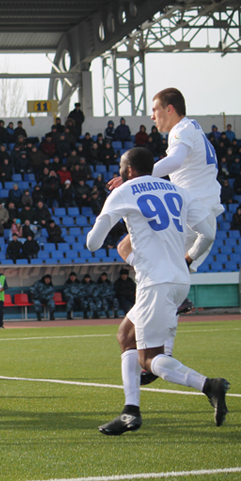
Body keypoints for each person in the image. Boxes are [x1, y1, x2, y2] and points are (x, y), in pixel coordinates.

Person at [86, 147, 227, 435]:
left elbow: (93, 243)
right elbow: (209, 232)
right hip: (178, 279)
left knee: (148, 359)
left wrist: (107, 215)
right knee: (126, 336)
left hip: (155, 282)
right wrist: (188, 258)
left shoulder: (125, 190)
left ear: (127, 171)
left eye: (122, 169)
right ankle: (130, 411)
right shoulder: (177, 191)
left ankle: (208, 385)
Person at [108, 88, 222, 378]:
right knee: (147, 262)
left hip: (188, 214)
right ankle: (164, 353)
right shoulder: (194, 128)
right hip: (200, 215)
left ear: (170, 109)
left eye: (155, 109)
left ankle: (153, 346)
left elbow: (174, 161)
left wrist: (136, 179)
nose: (152, 115)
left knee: (129, 251)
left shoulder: (181, 130)